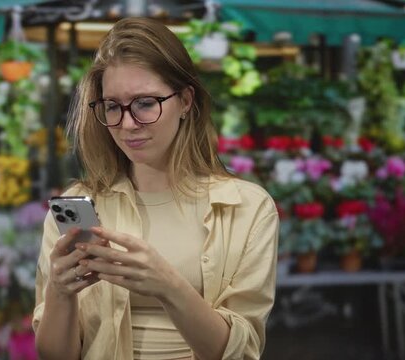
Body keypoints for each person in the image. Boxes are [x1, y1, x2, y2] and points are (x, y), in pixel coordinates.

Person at [33, 17, 279, 360]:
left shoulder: (246, 207)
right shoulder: (77, 206)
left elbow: (242, 351)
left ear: (185, 101)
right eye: (113, 107)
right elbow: (55, 355)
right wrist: (60, 291)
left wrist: (168, 285)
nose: (128, 124)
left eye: (146, 103)